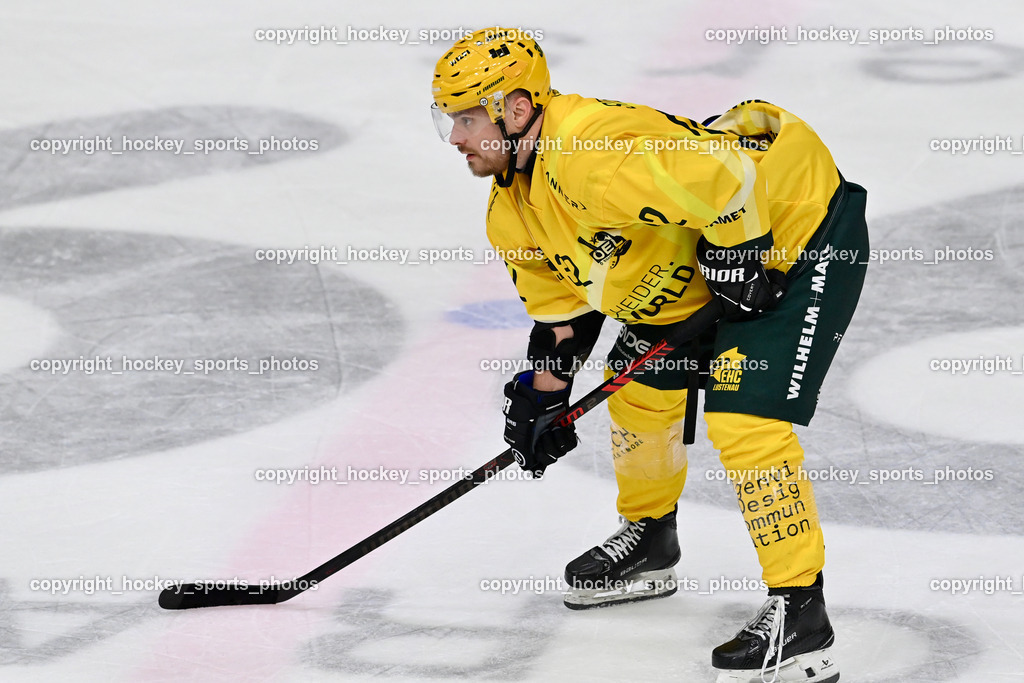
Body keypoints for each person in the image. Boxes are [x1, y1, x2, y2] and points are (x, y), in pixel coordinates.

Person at [431, 27, 866, 683]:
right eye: (448, 119)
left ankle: (802, 616)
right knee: (637, 390)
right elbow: (563, 320)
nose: (455, 137)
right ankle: (651, 540)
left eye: (465, 118)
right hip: (701, 255)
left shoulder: (591, 157)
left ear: (515, 109)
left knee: (744, 420)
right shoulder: (511, 211)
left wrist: (736, 256)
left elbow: (732, 178)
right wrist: (544, 398)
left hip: (793, 237)